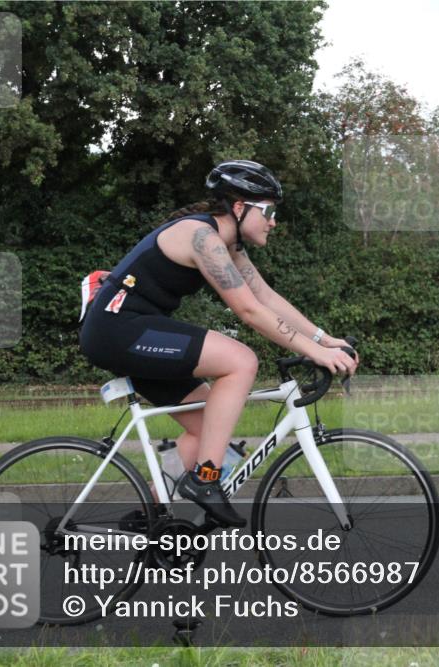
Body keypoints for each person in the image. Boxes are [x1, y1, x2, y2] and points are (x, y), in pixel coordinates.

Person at [79, 160, 358, 527]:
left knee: (208, 426)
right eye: (269, 211)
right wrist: (317, 353)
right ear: (239, 208)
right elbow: (249, 311)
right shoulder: (202, 237)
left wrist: (324, 339)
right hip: (117, 327)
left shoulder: (229, 246)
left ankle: (151, 517)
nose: (274, 221)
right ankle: (205, 479)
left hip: (136, 329)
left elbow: (266, 298)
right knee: (241, 360)